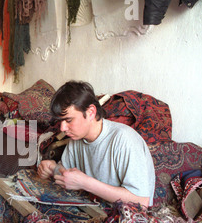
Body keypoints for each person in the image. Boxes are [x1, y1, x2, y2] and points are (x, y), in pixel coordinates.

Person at [37, 81, 155, 209]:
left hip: (126, 220)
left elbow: (142, 203)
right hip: (95, 211)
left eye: (69, 120)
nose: (62, 128)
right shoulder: (75, 139)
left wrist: (85, 183)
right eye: (60, 121)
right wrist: (53, 168)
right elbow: (68, 177)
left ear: (91, 112)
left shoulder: (124, 139)